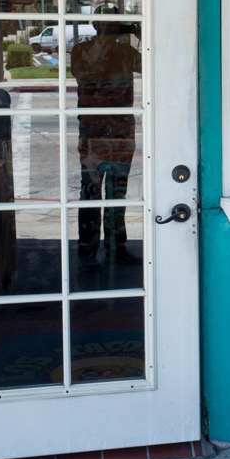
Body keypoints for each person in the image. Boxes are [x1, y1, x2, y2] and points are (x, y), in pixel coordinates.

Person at [71, 14, 142, 272]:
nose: (112, 28)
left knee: (117, 193)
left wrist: (141, 34)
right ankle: (87, 254)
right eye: (107, 24)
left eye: (115, 24)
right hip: (93, 132)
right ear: (97, 25)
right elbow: (83, 71)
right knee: (90, 192)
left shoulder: (126, 52)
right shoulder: (82, 51)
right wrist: (107, 41)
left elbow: (153, 62)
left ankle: (116, 249)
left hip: (122, 130)